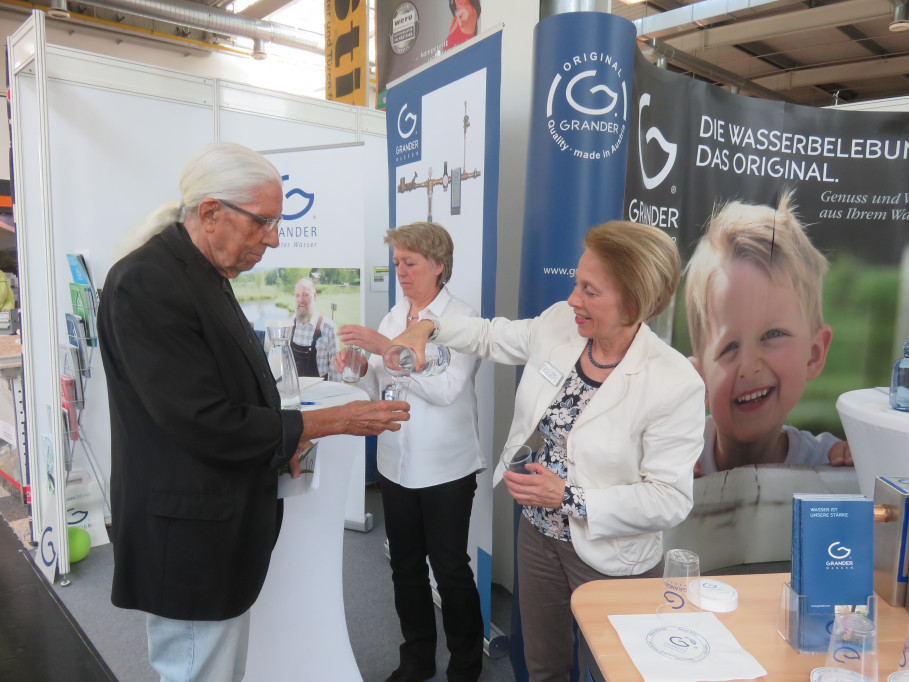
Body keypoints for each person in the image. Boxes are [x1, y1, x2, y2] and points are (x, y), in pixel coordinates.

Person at [97, 141, 409, 682]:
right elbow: (203, 420)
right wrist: (332, 421)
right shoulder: (150, 282)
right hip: (187, 534)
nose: (274, 238)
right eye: (263, 222)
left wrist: (282, 443)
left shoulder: (199, 273)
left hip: (211, 523)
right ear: (211, 212)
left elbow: (229, 392)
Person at [393, 221, 706, 681]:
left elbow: (670, 498)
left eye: (590, 291)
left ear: (634, 302)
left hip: (610, 555)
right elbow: (490, 336)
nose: (573, 299)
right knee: (543, 666)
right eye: (576, 283)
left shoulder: (674, 382)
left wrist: (569, 497)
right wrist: (429, 326)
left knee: (614, 670)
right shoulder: (562, 324)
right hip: (538, 534)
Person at [334, 221, 484, 682]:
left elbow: (446, 391)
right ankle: (416, 658)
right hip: (395, 465)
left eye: (410, 262)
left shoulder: (463, 320)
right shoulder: (393, 316)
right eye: (396, 262)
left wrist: (387, 349)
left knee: (451, 570)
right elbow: (379, 383)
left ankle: (465, 665)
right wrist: (360, 367)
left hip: (446, 469)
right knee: (405, 569)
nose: (400, 271)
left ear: (438, 266)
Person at [684, 191, 853, 475]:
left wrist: (854, 468)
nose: (749, 367)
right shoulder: (675, 456)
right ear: (698, 382)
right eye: (729, 347)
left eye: (772, 335)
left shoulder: (829, 463)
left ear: (813, 354)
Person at [290, 277, 340, 380]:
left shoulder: (328, 327)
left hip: (320, 392)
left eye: (305, 295)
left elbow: (335, 370)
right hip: (295, 392)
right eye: (297, 295)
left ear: (315, 296)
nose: (300, 300)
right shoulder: (291, 323)